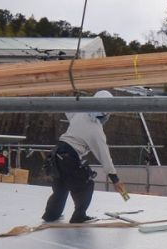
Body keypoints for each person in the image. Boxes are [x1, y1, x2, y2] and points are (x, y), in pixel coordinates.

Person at [42, 91, 119, 224]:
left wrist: (78, 100)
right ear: (105, 113)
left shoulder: (80, 114)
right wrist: (115, 179)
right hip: (69, 157)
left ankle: (51, 215)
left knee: (61, 187)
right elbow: (104, 156)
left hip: (56, 153)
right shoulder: (96, 130)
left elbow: (69, 110)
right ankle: (79, 216)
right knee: (86, 184)